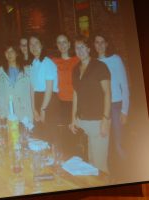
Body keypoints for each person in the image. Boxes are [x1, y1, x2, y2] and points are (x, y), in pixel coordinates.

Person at [69, 35, 111, 173]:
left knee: (100, 165)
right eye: (77, 48)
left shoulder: (100, 66)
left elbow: (107, 93)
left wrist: (105, 119)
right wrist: (73, 119)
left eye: (82, 47)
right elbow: (75, 94)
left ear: (88, 48)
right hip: (82, 122)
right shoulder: (75, 69)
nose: (80, 50)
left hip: (98, 121)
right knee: (88, 165)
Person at [93, 33, 130, 177]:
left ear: (107, 44)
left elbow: (125, 86)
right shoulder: (94, 62)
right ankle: (108, 175)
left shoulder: (116, 59)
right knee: (104, 143)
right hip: (101, 107)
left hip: (116, 105)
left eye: (103, 42)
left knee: (118, 143)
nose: (100, 45)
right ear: (94, 45)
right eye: (97, 42)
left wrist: (125, 111)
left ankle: (127, 175)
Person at [51, 34, 80, 154]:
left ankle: (74, 160)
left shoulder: (77, 60)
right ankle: (64, 161)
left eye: (64, 42)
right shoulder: (53, 61)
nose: (62, 45)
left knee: (73, 135)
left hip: (75, 102)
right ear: (57, 45)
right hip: (59, 102)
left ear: (69, 44)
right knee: (61, 136)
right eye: (59, 42)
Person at [29, 35, 59, 142]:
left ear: (42, 45)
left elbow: (49, 89)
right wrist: (34, 109)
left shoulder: (48, 63)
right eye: (31, 44)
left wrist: (43, 109)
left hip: (49, 102)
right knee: (39, 137)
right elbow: (32, 88)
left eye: (36, 43)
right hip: (37, 100)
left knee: (50, 136)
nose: (34, 46)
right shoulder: (32, 64)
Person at [0, 43, 33, 121]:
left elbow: (30, 93)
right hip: (9, 113)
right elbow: (0, 95)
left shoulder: (27, 70)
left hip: (25, 113)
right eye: (7, 52)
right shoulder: (0, 71)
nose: (9, 54)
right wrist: (1, 113)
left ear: (16, 53)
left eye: (12, 51)